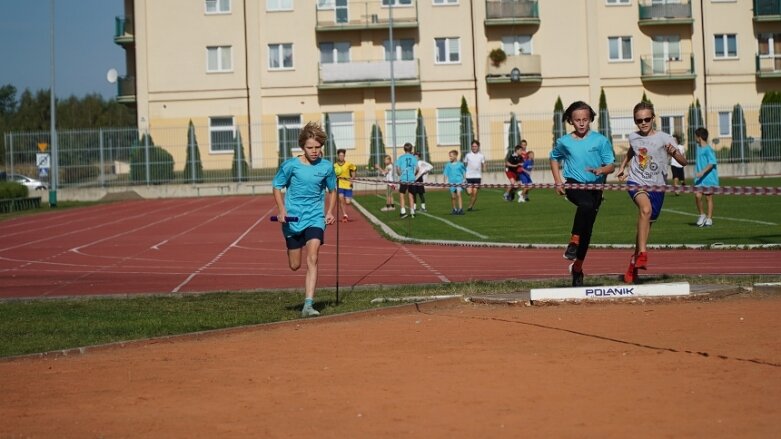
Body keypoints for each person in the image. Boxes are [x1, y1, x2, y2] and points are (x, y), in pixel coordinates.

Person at [616, 102, 688, 284]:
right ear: (635, 121)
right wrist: (623, 167)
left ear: (653, 118)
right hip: (636, 181)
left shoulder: (665, 138)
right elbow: (632, 151)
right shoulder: (633, 136)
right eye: (639, 120)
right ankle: (643, 254)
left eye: (647, 119)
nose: (643, 123)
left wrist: (674, 153)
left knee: (645, 228)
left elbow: (684, 161)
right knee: (645, 210)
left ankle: (633, 262)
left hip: (657, 186)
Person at [272, 121, 337, 317]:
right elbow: (277, 186)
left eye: (318, 147)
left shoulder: (326, 167)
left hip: (315, 217)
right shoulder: (291, 165)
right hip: (292, 219)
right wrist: (282, 209)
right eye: (310, 147)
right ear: (302, 147)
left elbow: (332, 190)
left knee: (313, 257)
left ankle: (308, 304)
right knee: (295, 265)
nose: (315, 151)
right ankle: (292, 247)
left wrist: (330, 211)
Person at [550, 100, 615, 287]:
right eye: (577, 119)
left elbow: (611, 165)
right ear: (570, 120)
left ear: (590, 119)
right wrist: (557, 181)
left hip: (595, 188)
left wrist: (601, 171)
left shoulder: (600, 140)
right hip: (573, 184)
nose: (581, 123)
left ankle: (577, 267)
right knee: (584, 205)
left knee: (588, 230)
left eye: (585, 119)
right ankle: (573, 241)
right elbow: (554, 159)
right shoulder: (564, 142)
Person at [693, 127, 719, 227]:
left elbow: (712, 163)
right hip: (699, 179)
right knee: (697, 196)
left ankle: (709, 218)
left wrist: (702, 172)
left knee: (708, 197)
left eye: (696, 136)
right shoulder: (698, 148)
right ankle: (702, 214)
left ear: (699, 137)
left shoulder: (709, 149)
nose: (695, 138)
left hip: (709, 178)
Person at [333, 148, 357, 223]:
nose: (341, 157)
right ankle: (344, 214)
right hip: (340, 184)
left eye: (342, 155)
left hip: (347, 184)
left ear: (344, 156)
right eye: (340, 155)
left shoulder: (348, 164)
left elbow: (353, 170)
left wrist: (352, 179)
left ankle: (346, 204)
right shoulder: (335, 165)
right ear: (338, 156)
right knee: (341, 198)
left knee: (348, 202)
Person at [395, 142, 418, 218]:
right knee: (411, 194)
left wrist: (399, 174)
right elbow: (417, 168)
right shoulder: (414, 158)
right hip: (411, 178)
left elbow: (397, 168)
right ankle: (412, 211)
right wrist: (414, 174)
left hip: (404, 178)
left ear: (404, 149)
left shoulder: (401, 158)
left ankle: (403, 211)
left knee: (402, 195)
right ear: (411, 149)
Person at [463, 140, 486, 211]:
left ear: (478, 147)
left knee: (475, 193)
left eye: (475, 146)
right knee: (470, 192)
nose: (474, 148)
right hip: (469, 176)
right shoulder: (468, 155)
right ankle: (464, 186)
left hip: (477, 176)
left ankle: (470, 207)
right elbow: (464, 164)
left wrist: (484, 168)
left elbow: (483, 163)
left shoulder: (481, 156)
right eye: (473, 146)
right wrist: (463, 173)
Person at [444, 149, 466, 215]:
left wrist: (464, 179)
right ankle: (454, 209)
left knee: (459, 195)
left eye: (451, 156)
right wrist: (444, 181)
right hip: (451, 182)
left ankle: (460, 209)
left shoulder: (460, 164)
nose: (450, 157)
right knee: (453, 196)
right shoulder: (448, 165)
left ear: (456, 156)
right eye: (449, 156)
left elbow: (464, 172)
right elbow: (445, 173)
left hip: (459, 182)